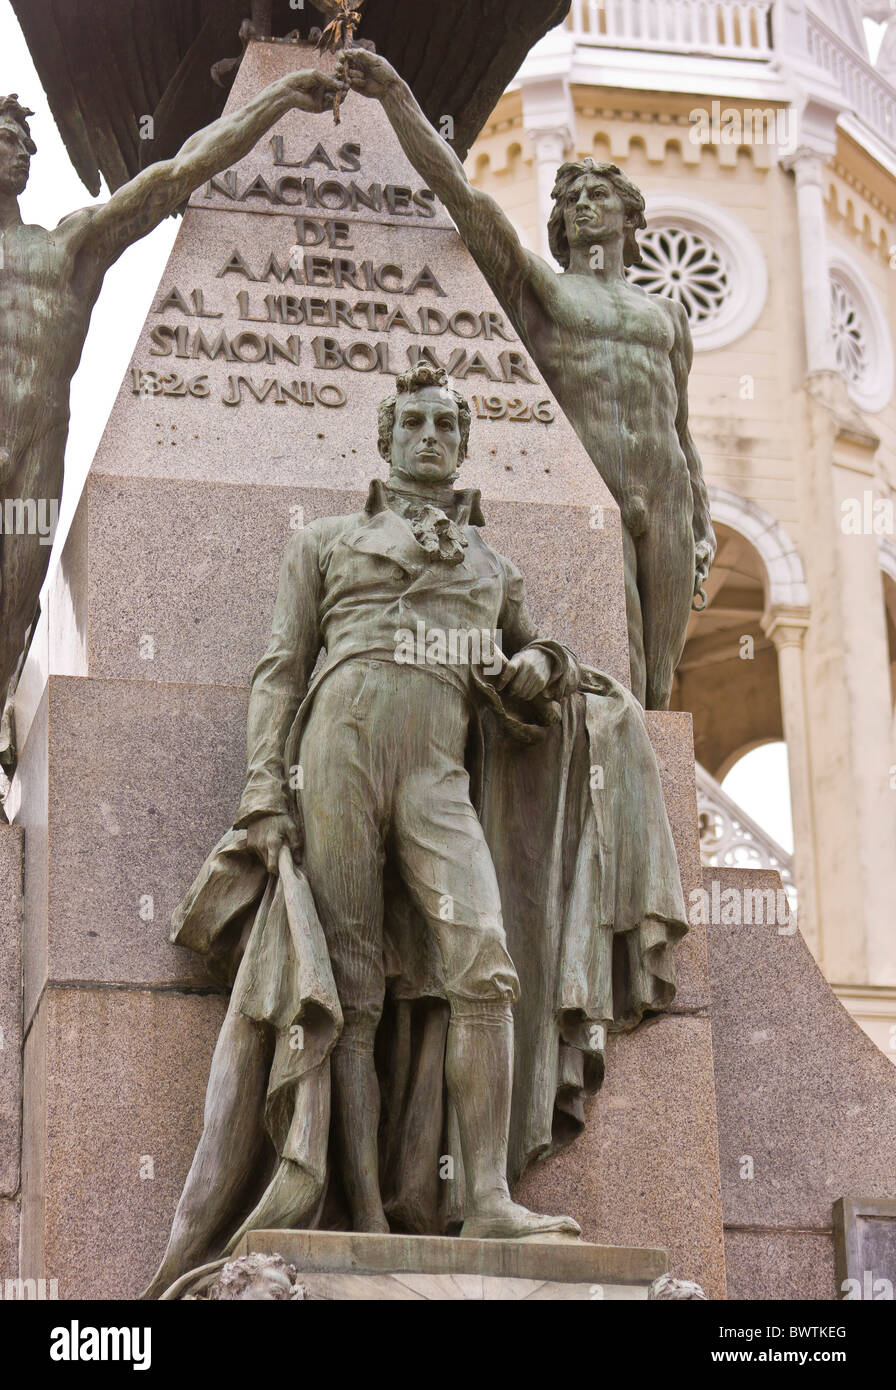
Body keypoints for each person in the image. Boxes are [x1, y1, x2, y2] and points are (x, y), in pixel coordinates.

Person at [143, 366, 688, 1298]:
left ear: (464, 445)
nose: (431, 436)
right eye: (415, 423)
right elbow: (281, 668)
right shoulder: (324, 542)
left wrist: (532, 667)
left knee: (485, 964)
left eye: (447, 424)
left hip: (437, 771)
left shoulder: (492, 565)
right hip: (340, 748)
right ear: (386, 439)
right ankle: (353, 1203)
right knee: (351, 987)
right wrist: (263, 790)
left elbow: (543, 656)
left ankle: (484, 1195)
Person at [336, 48, 716, 712]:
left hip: (669, 495)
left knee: (660, 691)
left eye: (600, 195)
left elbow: (681, 427)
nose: (584, 206)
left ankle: (653, 809)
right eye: (572, 198)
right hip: (590, 488)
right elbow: (463, 195)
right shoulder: (544, 289)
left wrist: (705, 523)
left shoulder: (667, 314)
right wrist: (396, 94)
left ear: (631, 218)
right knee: (616, 680)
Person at [0, 68, 343, 775]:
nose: (14, 152)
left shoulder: (65, 249)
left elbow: (178, 173)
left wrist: (274, 98)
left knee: (9, 614)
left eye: (21, 143)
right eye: (1, 138)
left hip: (32, 451)